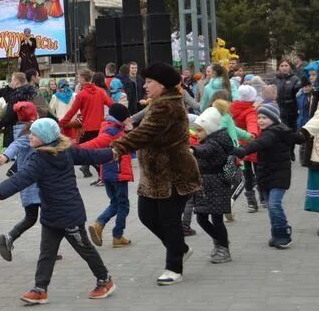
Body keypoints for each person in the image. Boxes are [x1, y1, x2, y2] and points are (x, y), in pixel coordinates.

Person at [0, 118, 117, 305]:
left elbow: (90, 156)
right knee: (47, 253)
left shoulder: (45, 157)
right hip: (51, 215)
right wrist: (111, 153)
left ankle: (105, 280)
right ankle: (40, 289)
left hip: (69, 214)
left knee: (85, 249)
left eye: (33, 133)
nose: (29, 136)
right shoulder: (56, 151)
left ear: (45, 137)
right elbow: (91, 155)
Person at [110, 62, 202, 285]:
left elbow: (145, 133)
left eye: (150, 82)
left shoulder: (166, 106)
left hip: (172, 173)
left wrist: (117, 147)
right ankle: (179, 247)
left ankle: (174, 267)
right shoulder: (159, 102)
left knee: (169, 220)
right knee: (146, 215)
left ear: (162, 84)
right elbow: (140, 127)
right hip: (155, 175)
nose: (145, 86)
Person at [234, 103, 305, 248]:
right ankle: (276, 235)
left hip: (278, 175)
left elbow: (258, 144)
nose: (260, 120)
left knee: (274, 205)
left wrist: (242, 151)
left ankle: (284, 234)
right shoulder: (280, 130)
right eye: (259, 117)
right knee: (271, 207)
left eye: (264, 117)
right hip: (266, 175)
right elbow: (298, 138)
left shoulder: (273, 132)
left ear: (274, 118)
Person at [0, 102, 42, 262]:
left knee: (32, 217)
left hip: (28, 185)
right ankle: (48, 249)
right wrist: (5, 156)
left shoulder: (20, 130)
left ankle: (9, 237)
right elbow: (16, 145)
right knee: (46, 217)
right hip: (35, 184)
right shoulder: (30, 133)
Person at [83, 104, 134, 248]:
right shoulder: (113, 131)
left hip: (107, 172)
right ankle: (112, 232)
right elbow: (96, 143)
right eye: (127, 117)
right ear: (121, 118)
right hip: (117, 173)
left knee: (115, 203)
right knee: (123, 205)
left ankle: (105, 228)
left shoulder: (111, 127)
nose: (129, 119)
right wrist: (76, 150)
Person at [188, 106, 235, 263]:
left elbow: (205, 150)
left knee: (217, 219)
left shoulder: (215, 143)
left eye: (200, 130)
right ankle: (220, 242)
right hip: (206, 186)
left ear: (208, 129)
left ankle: (223, 248)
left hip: (217, 185)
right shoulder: (211, 139)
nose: (197, 133)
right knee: (201, 217)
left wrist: (193, 150)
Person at [59, 70, 113, 179]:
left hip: (87, 128)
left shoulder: (81, 94)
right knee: (96, 152)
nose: (78, 80)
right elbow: (111, 104)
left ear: (83, 79)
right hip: (100, 127)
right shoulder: (100, 91)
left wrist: (61, 123)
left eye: (79, 78)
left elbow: (72, 111)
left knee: (83, 152)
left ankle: (100, 174)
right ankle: (100, 175)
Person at [299, 65, 319, 237]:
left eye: (315, 75)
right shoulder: (316, 93)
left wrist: (304, 132)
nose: (312, 77)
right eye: (311, 75)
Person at [0, 71, 50, 149]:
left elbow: (9, 114)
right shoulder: (35, 92)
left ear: (17, 82)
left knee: (18, 152)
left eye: (12, 81)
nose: (11, 83)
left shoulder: (16, 95)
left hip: (17, 128)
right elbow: (44, 109)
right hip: (34, 127)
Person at [232, 85, 263, 212]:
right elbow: (252, 123)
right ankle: (263, 197)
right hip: (252, 145)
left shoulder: (233, 107)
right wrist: (253, 135)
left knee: (247, 174)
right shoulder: (250, 111)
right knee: (259, 171)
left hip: (239, 146)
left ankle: (251, 202)